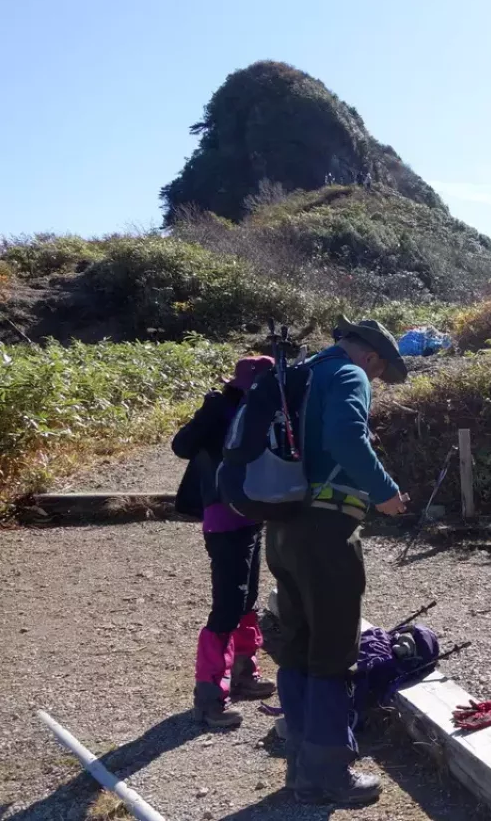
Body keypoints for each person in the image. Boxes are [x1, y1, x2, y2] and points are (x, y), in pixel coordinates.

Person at [266, 316, 410, 807]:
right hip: (326, 530)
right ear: (371, 357)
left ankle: (300, 767)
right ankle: (327, 776)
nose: (374, 381)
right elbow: (350, 438)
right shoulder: (347, 374)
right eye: (378, 373)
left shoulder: (300, 374)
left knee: (299, 646)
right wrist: (386, 493)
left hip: (282, 526)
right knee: (333, 651)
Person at [173, 355, 278, 729]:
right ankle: (208, 698)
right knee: (227, 607)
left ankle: (244, 674)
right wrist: (210, 414)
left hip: (251, 515)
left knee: (246, 599)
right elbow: (181, 446)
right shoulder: (221, 408)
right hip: (223, 518)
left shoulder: (264, 411)